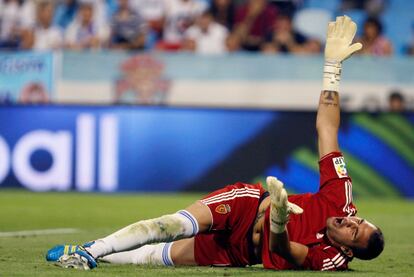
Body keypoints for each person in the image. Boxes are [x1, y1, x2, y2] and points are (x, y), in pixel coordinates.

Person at [46, 16, 384, 271]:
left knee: (155, 257)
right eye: (359, 220)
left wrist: (280, 223)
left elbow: (284, 252)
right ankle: (90, 249)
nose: (350, 222)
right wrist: (332, 69)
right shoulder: (341, 198)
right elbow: (327, 127)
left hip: (241, 251)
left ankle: (94, 253)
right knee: (172, 225)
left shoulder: (331, 259)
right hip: (247, 205)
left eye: (354, 233)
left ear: (348, 251)